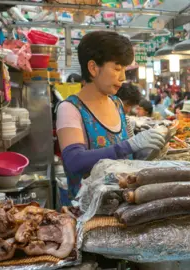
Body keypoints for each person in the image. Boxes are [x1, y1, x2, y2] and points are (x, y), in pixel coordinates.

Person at [56, 31, 165, 204]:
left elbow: (127, 158)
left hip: (124, 204)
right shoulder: (70, 109)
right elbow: (74, 161)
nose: (123, 77)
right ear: (93, 68)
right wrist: (129, 145)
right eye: (117, 68)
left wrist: (145, 151)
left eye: (124, 69)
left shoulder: (117, 103)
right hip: (89, 213)